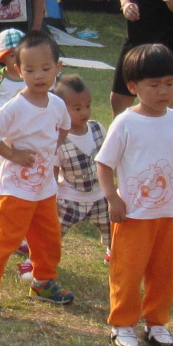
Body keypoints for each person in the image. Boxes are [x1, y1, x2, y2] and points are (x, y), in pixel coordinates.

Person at [98, 42, 173, 346]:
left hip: (168, 215)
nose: (163, 91)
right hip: (133, 215)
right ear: (133, 87)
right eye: (153, 85)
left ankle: (157, 322)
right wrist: (112, 198)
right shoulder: (126, 122)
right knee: (127, 271)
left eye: (169, 83)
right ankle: (123, 323)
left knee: (164, 272)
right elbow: (104, 163)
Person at [0, 31, 75, 317]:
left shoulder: (57, 104)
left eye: (45, 69)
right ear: (18, 69)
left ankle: (44, 281)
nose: (38, 76)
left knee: (48, 238)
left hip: (44, 189)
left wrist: (52, 146)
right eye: (29, 70)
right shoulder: (16, 105)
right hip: (15, 190)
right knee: (5, 240)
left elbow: (64, 126)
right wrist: (12, 155)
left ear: (58, 68)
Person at [54, 75, 111, 254]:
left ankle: (114, 255)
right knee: (52, 234)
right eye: (77, 108)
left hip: (99, 196)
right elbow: (53, 173)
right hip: (69, 199)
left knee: (114, 231)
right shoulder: (58, 139)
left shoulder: (97, 128)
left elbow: (108, 162)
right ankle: (37, 262)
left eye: (88, 106)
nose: (84, 112)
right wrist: (51, 199)